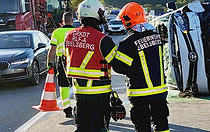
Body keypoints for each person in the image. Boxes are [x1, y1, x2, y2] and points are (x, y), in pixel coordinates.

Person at [63, 0, 125, 131]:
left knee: (82, 128)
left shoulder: (69, 36)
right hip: (99, 95)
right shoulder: (102, 39)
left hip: (79, 94)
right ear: (95, 14)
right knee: (100, 128)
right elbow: (119, 65)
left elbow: (66, 60)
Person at [111, 2, 170, 132]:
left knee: (142, 127)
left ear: (127, 21)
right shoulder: (156, 36)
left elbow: (119, 68)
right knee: (162, 125)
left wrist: (111, 57)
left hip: (139, 93)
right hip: (160, 92)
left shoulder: (127, 43)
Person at [47, 12, 75, 118]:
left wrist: (50, 64)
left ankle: (67, 109)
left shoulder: (57, 32)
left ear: (62, 21)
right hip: (75, 61)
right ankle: (81, 108)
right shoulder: (76, 31)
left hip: (61, 62)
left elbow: (52, 50)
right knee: (77, 85)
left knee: (64, 86)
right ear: (72, 21)